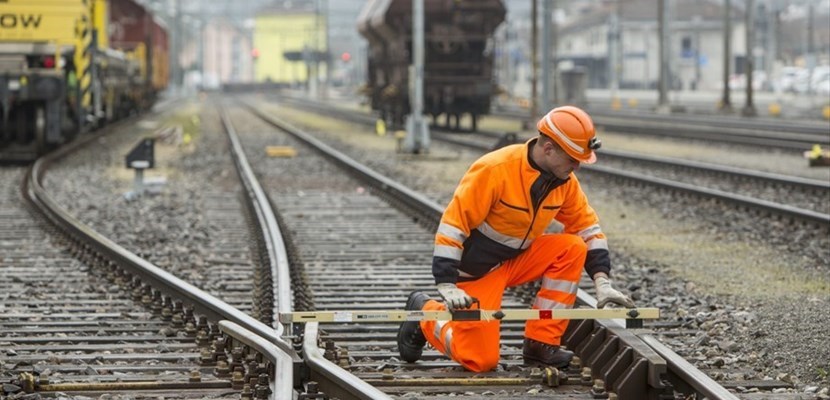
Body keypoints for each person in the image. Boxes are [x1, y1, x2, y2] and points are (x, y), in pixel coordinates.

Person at [397, 105, 634, 373]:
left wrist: (602, 281)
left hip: (516, 260)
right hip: (478, 272)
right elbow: (454, 224)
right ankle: (426, 314)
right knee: (480, 360)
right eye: (572, 159)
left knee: (572, 247)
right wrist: (447, 283)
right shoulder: (495, 169)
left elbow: (587, 227)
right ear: (548, 149)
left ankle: (541, 344)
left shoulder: (565, 182)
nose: (576, 166)